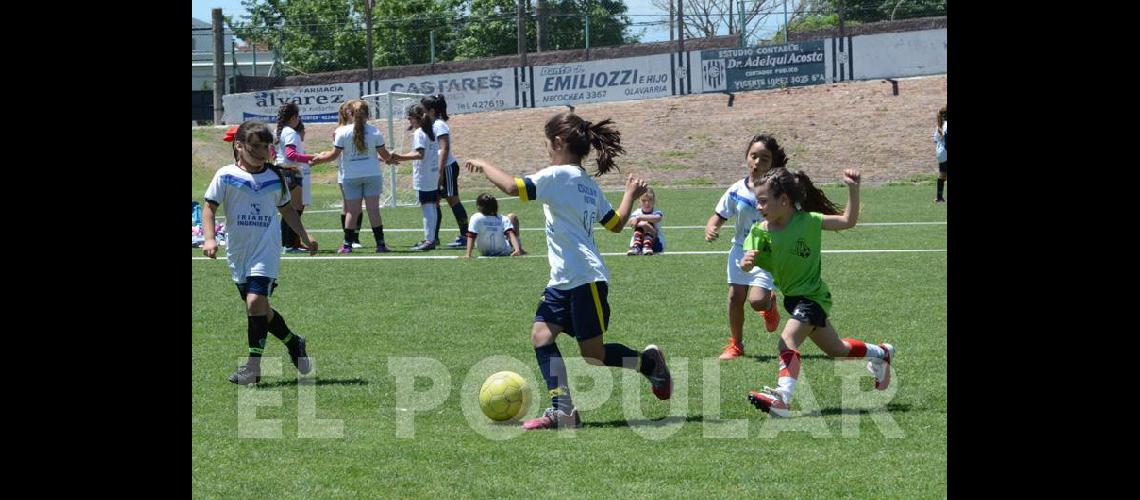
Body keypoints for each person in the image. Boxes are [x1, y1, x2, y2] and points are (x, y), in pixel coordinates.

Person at [464, 112, 673, 431]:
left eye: (547, 144)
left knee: (594, 355)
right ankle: (564, 411)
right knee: (541, 336)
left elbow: (511, 187)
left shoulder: (558, 175)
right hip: (564, 278)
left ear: (559, 143)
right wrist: (628, 195)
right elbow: (616, 225)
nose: (546, 150)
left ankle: (649, 363)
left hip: (584, 278)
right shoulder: (586, 183)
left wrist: (483, 164)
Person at [740, 167, 895, 417]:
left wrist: (853, 190)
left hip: (813, 298)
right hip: (793, 300)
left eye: (763, 201)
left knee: (786, 341)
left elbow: (848, 221)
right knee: (837, 350)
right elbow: (747, 260)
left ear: (784, 200)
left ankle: (782, 398)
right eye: (757, 201)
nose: (758, 207)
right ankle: (881, 353)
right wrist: (747, 262)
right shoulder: (761, 231)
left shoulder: (809, 221)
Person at [202, 120, 318, 385]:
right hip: (238, 253)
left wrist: (304, 235)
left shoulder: (275, 177)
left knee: (255, 303)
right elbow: (209, 208)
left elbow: (287, 209)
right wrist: (209, 239)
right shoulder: (225, 175)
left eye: (266, 146)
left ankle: (253, 368)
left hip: (266, 251)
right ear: (239, 146)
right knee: (260, 310)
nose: (262, 151)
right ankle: (294, 343)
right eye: (255, 146)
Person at [703, 134, 783, 360]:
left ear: (772, 163)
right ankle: (736, 345)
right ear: (747, 157)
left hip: (765, 253)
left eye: (764, 159)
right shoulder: (736, 189)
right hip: (739, 249)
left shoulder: (778, 191)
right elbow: (718, 215)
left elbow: (792, 215)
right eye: (753, 156)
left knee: (756, 301)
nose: (757, 162)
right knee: (734, 296)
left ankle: (769, 305)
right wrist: (711, 227)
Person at [311, 100, 395, 253]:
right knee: (373, 210)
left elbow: (333, 156)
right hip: (372, 174)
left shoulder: (342, 132)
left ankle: (347, 245)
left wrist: (319, 159)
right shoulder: (375, 131)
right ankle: (381, 245)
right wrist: (393, 158)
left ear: (350, 114)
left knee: (352, 211)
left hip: (350, 176)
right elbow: (385, 155)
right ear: (368, 115)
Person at [389, 104, 441, 251]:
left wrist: (399, 156)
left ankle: (429, 240)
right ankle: (431, 238)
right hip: (432, 173)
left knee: (427, 207)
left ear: (415, 118)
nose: (409, 121)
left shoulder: (419, 132)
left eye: (410, 118)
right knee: (431, 206)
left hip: (424, 175)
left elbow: (420, 154)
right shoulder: (430, 131)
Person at [422, 94, 471, 248]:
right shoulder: (431, 125)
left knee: (452, 200)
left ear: (431, 111)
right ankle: (433, 238)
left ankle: (465, 235)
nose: (422, 113)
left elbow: (445, 148)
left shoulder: (439, 125)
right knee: (435, 202)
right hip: (438, 168)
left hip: (447, 167)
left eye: (424, 110)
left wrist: (440, 172)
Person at [274, 104, 313, 252]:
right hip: (290, 171)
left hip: (288, 171)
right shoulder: (290, 132)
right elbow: (290, 155)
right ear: (294, 117)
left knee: (294, 208)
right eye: (298, 117)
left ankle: (291, 242)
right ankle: (289, 244)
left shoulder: (283, 131)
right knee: (292, 210)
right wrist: (311, 157)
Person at [463, 193, 525, 258]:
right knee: (512, 217)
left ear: (479, 206)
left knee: (510, 219)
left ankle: (518, 249)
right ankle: (519, 249)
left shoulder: (476, 217)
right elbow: (510, 234)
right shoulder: (503, 218)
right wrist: (517, 249)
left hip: (484, 251)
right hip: (504, 251)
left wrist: (468, 254)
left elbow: (471, 235)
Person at [625, 187, 665, 256]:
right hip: (639, 242)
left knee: (648, 224)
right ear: (639, 201)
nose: (647, 203)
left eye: (650, 200)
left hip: (656, 243)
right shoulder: (637, 212)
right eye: (644, 200)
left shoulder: (656, 212)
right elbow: (631, 223)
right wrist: (642, 224)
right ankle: (636, 247)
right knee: (640, 227)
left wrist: (640, 218)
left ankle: (647, 247)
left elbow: (657, 218)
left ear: (654, 200)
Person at [933, 106, 948, 203]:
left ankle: (939, 198)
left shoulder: (940, 125)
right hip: (946, 152)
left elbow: (935, 140)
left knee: (942, 175)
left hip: (941, 154)